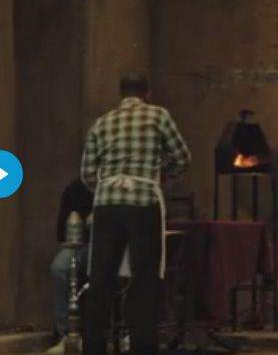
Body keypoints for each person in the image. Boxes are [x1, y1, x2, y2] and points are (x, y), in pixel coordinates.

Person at [79, 74, 191, 355]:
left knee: (101, 278)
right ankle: (143, 346)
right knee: (144, 278)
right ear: (147, 93)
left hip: (106, 205)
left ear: (121, 93)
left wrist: (109, 186)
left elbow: (87, 173)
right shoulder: (158, 116)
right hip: (142, 203)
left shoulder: (101, 122)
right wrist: (162, 176)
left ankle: (93, 346)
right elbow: (182, 158)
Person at [50, 178, 93, 342]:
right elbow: (61, 233)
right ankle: (64, 333)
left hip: (113, 246)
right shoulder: (76, 189)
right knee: (59, 268)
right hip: (82, 246)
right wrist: (85, 222)